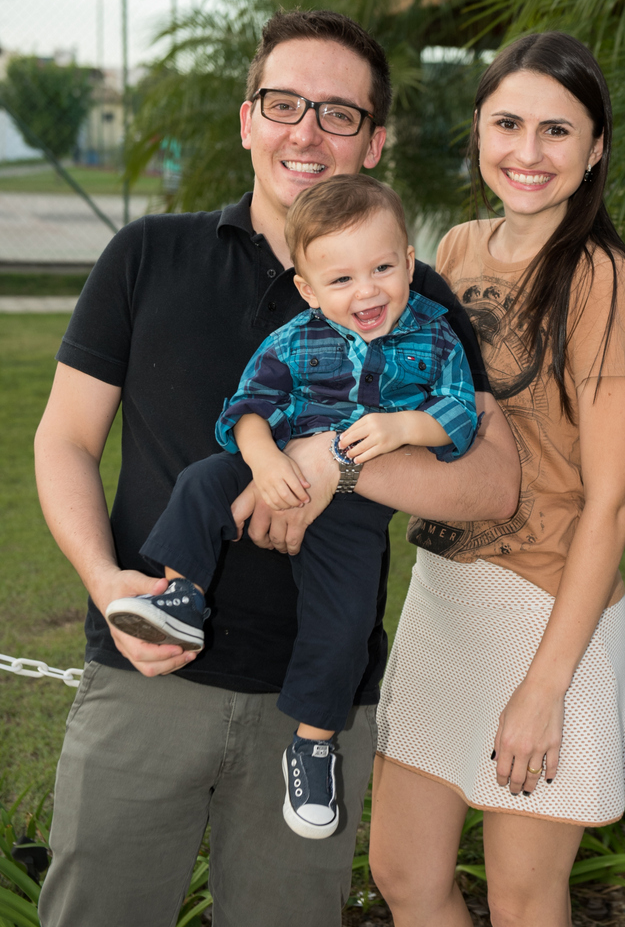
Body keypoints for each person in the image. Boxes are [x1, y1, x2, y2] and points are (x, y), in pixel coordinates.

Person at [26, 9, 521, 927]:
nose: (308, 131)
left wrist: (330, 463)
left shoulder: (408, 294)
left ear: (374, 141)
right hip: (146, 678)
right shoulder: (150, 256)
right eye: (285, 103)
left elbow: (491, 483)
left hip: (319, 706)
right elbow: (64, 441)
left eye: (339, 112)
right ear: (247, 118)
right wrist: (102, 579)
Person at [369, 30, 625, 927]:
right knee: (406, 873)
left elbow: (613, 500)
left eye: (556, 130)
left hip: (544, 609)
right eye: (508, 123)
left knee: (526, 911)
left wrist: (544, 687)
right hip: (445, 591)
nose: (527, 152)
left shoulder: (603, 281)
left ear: (595, 148)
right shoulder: (455, 247)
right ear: (479, 130)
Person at [105, 173, 478, 840]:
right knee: (198, 483)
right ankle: (181, 598)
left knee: (344, 625)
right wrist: (265, 460)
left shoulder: (434, 333)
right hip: (269, 470)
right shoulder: (294, 340)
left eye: (382, 269)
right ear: (307, 289)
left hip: (357, 502)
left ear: (409, 263)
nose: (365, 292)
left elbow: (457, 412)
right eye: (340, 280)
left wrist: (403, 429)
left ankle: (311, 745)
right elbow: (248, 410)